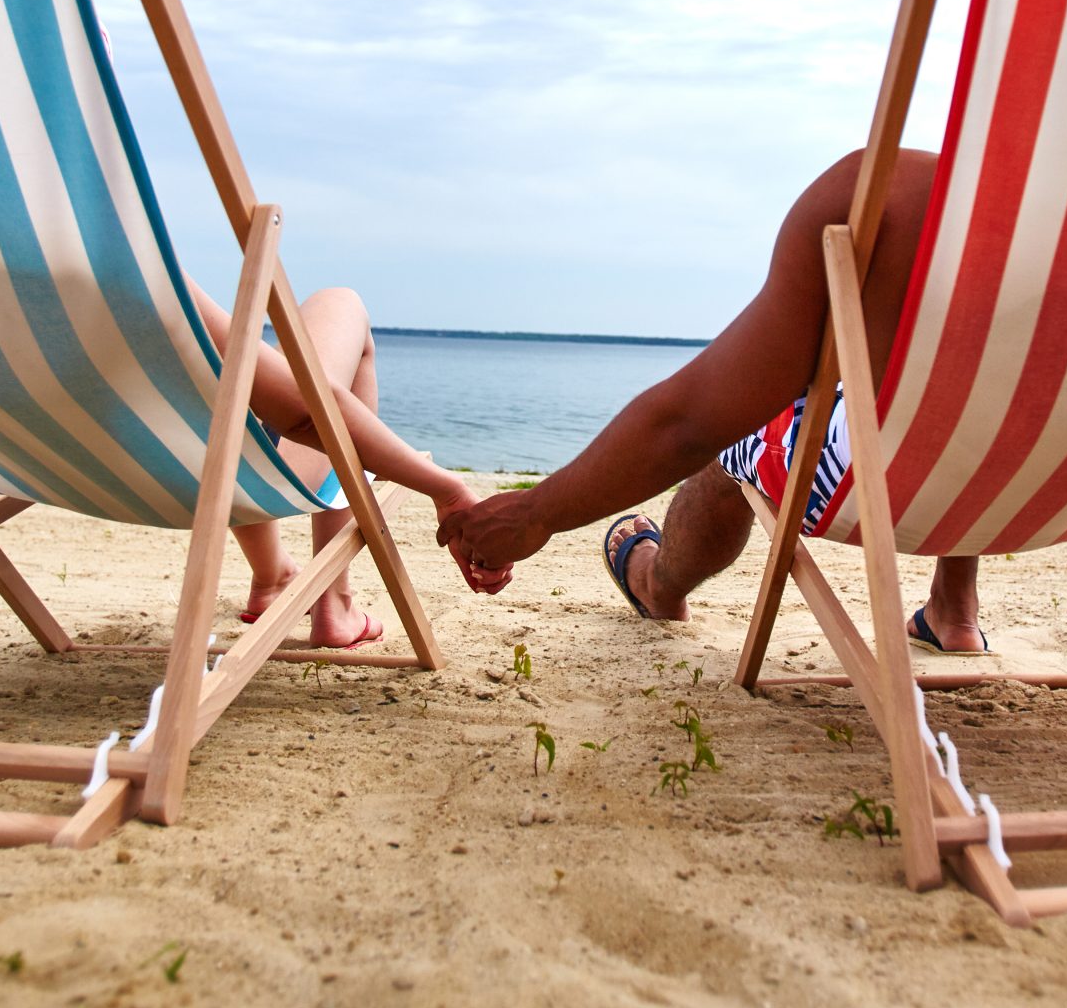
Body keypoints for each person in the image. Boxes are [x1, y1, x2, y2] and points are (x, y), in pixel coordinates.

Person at [438, 149, 987, 653]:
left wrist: (536, 514)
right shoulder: (1054, 220)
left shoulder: (889, 189)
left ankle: (657, 583)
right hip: (1048, 489)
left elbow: (689, 424)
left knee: (739, 434)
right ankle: (954, 607)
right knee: (976, 394)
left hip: (886, 485)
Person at [181, 279, 506, 649]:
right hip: (231, 478)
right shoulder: (133, 251)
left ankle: (273, 575)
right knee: (341, 304)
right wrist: (447, 489)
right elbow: (306, 414)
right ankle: (334, 602)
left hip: (140, 482)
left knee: (234, 397)